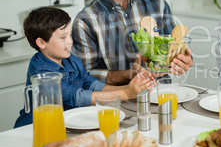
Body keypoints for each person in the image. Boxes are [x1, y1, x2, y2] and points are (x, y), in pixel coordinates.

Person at [14, 7, 154, 128]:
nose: (70, 42)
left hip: (65, 124)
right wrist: (126, 94)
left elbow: (92, 85)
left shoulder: (71, 59)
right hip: (36, 128)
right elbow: (76, 98)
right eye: (63, 37)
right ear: (42, 42)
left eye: (70, 35)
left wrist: (129, 87)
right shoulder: (42, 72)